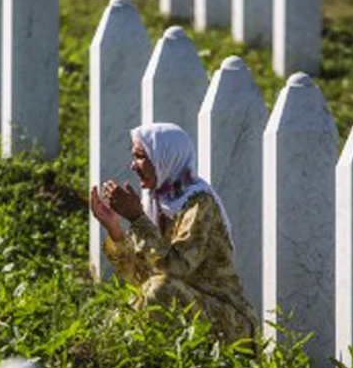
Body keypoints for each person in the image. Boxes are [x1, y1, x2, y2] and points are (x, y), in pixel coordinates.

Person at [90, 122, 257, 342]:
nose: (133, 165)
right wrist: (114, 228)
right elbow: (139, 276)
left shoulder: (199, 204)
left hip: (229, 322)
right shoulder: (156, 203)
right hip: (190, 311)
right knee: (120, 316)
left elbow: (176, 268)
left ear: (165, 158)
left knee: (159, 290)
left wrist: (137, 219)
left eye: (140, 157)